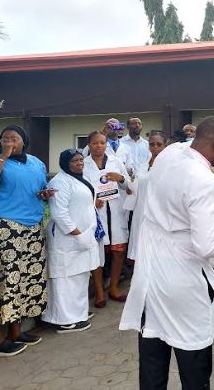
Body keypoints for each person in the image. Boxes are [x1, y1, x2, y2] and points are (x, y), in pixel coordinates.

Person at [119, 117, 214, 389]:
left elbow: (200, 138)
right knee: (194, 365)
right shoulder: (205, 180)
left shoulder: (168, 155)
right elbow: (207, 245)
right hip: (184, 285)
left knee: (152, 363)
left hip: (151, 278)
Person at [0, 125, 51, 356]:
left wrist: (43, 195)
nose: (8, 141)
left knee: (24, 281)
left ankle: (16, 331)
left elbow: (37, 188)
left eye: (13, 138)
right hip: (2, 227)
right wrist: (4, 156)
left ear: (24, 141)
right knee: (2, 281)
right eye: (4, 139)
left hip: (31, 228)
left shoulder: (37, 163)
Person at [42, 150, 100, 333]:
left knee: (80, 276)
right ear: (65, 163)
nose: (79, 163)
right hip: (67, 238)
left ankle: (77, 312)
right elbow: (59, 213)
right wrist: (77, 234)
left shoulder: (78, 179)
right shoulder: (59, 182)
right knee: (65, 278)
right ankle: (64, 320)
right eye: (74, 161)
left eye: (81, 159)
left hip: (81, 238)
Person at [83, 131, 132, 306]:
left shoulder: (115, 161)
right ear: (89, 144)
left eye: (102, 143)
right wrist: (92, 200)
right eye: (95, 143)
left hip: (116, 210)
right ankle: (99, 293)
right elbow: (80, 189)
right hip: (97, 213)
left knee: (119, 251)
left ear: (106, 144)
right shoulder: (84, 165)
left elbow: (128, 184)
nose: (99, 146)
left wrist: (120, 178)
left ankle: (113, 287)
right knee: (98, 253)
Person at [128, 131, 168, 263]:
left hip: (157, 212)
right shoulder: (144, 163)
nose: (155, 147)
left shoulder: (168, 165)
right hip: (140, 210)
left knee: (156, 250)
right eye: (152, 144)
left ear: (164, 145)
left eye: (159, 144)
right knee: (140, 250)